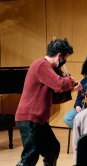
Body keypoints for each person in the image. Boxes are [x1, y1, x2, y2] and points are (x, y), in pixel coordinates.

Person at [15, 38, 82, 166]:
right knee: (30, 157)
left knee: (53, 149)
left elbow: (54, 97)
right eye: (65, 58)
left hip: (38, 120)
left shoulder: (48, 69)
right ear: (59, 56)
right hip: (29, 118)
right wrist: (69, 79)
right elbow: (59, 84)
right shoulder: (41, 64)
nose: (63, 62)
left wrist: (72, 89)